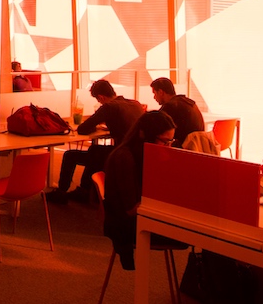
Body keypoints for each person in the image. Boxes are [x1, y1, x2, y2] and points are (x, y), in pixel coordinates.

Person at [101, 110, 176, 271]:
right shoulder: (124, 158)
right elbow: (131, 209)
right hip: (127, 226)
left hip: (138, 219)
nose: (168, 147)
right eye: (165, 142)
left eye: (171, 142)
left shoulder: (142, 154)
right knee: (205, 238)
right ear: (144, 135)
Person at [46, 79, 143, 204]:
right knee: (94, 150)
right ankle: (84, 191)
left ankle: (61, 193)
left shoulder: (109, 107)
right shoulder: (135, 103)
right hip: (136, 153)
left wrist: (95, 125)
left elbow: (82, 129)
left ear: (101, 97)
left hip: (119, 155)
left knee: (70, 155)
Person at [149, 77, 204, 149]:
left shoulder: (170, 106)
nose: (154, 97)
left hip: (184, 149)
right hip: (199, 147)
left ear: (160, 92)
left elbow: (155, 129)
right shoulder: (188, 102)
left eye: (154, 93)